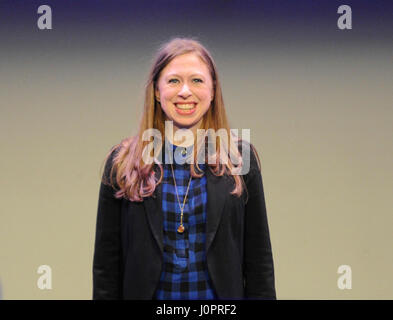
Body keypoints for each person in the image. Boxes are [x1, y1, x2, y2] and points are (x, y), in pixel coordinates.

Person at [92, 37, 276, 300]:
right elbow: (106, 269)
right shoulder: (122, 163)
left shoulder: (240, 160)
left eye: (197, 81)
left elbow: (259, 264)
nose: (185, 92)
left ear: (213, 91)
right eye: (174, 81)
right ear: (157, 91)